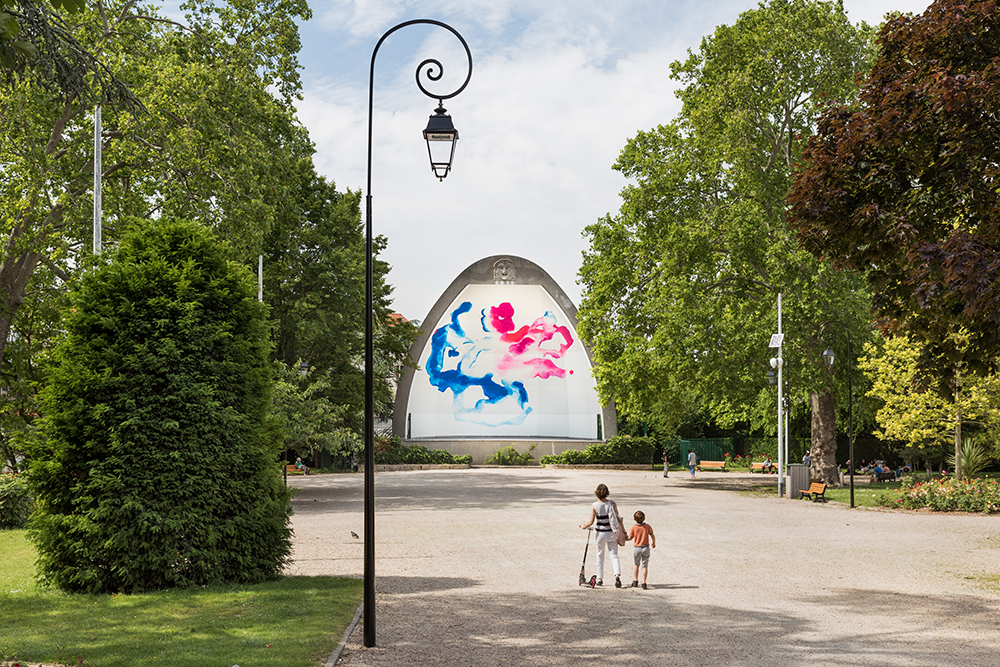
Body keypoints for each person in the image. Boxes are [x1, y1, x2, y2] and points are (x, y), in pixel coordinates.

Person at [580, 483, 623, 588]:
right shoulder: (612, 503)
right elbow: (618, 519)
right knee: (614, 555)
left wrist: (584, 526)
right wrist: (623, 532)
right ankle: (617, 575)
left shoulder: (594, 505)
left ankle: (600, 578)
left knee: (600, 555)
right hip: (612, 533)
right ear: (607, 493)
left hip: (600, 533)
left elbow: (591, 521)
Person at [626, 510, 655, 590]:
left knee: (636, 564)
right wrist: (653, 542)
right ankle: (644, 582)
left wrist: (623, 538)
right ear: (644, 518)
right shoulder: (647, 526)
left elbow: (630, 538)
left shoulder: (634, 527)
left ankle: (635, 580)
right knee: (644, 566)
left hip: (637, 548)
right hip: (645, 547)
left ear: (634, 519)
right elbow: (652, 535)